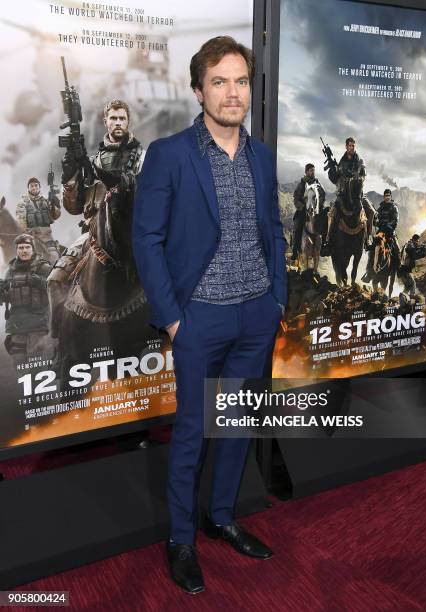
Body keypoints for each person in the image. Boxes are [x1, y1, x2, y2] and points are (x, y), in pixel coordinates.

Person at [133, 36, 287, 595]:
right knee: (195, 430)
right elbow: (146, 239)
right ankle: (181, 539)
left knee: (238, 424)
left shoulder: (263, 156)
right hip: (199, 318)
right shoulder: (171, 154)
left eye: (240, 81)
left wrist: (277, 300)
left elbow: (272, 229)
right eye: (219, 82)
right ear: (198, 90)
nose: (231, 93)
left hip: (255, 315)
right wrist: (173, 319)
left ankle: (222, 518)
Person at [47, 99, 143, 338]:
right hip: (93, 234)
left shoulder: (143, 157)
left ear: (128, 121)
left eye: (122, 118)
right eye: (113, 118)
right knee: (54, 280)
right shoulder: (92, 161)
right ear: (105, 121)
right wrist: (71, 174)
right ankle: (60, 342)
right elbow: (74, 207)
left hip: (133, 231)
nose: (118, 122)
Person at [1, 234, 52, 367]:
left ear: (33, 249)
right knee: (18, 363)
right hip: (17, 323)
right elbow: (8, 297)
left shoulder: (44, 267)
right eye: (21, 247)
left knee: (36, 363)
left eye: (27, 247)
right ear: (17, 250)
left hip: (38, 321)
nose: (24, 251)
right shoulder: (10, 270)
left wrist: (38, 281)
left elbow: (56, 287)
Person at [325, 137, 374, 250]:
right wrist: (332, 168)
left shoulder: (360, 161)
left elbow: (363, 175)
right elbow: (335, 179)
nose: (351, 148)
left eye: (353, 146)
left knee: (371, 211)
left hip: (358, 193)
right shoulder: (341, 162)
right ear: (346, 146)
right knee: (331, 213)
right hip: (343, 193)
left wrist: (354, 177)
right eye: (350, 145)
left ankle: (368, 238)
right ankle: (328, 239)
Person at [16, 177, 61, 264]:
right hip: (31, 235)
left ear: (39, 187)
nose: (34, 188)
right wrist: (26, 235)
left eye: (36, 185)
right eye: (31, 186)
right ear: (28, 188)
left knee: (54, 256)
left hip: (47, 236)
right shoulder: (23, 202)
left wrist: (55, 205)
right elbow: (20, 220)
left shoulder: (45, 200)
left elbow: (55, 216)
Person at [362, 188, 399, 283]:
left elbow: (395, 220)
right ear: (384, 197)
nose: (387, 197)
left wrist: (388, 225)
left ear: (391, 196)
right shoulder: (381, 207)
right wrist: (376, 222)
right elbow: (376, 219)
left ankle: (397, 269)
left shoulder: (394, 208)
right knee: (372, 250)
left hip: (390, 233)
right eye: (385, 195)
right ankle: (368, 273)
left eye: (388, 195)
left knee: (397, 250)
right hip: (380, 232)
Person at [292, 163, 325, 262]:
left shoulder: (317, 183)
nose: (313, 172)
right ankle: (295, 251)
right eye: (311, 170)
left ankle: (324, 247)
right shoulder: (302, 183)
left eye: (314, 170)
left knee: (325, 223)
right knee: (298, 227)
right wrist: (302, 207)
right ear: (306, 172)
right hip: (303, 211)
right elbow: (296, 198)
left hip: (316, 210)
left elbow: (323, 194)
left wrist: (318, 205)